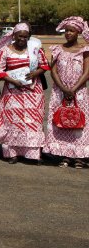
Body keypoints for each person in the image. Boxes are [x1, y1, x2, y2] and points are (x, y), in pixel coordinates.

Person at [0, 23, 49, 164]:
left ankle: (32, 154)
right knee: (13, 122)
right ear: (14, 36)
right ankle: (13, 154)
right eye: (20, 36)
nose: (22, 38)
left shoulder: (34, 50)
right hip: (12, 92)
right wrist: (12, 80)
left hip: (33, 92)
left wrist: (35, 73)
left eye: (25, 36)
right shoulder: (5, 51)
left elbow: (45, 65)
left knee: (33, 121)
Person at [45, 17, 89, 168]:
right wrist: (64, 89)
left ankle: (80, 157)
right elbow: (53, 71)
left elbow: (87, 72)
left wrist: (74, 89)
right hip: (59, 91)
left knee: (79, 123)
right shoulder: (57, 49)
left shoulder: (85, 50)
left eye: (72, 31)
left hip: (79, 92)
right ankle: (64, 156)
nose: (68, 33)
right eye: (67, 30)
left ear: (78, 32)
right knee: (61, 121)